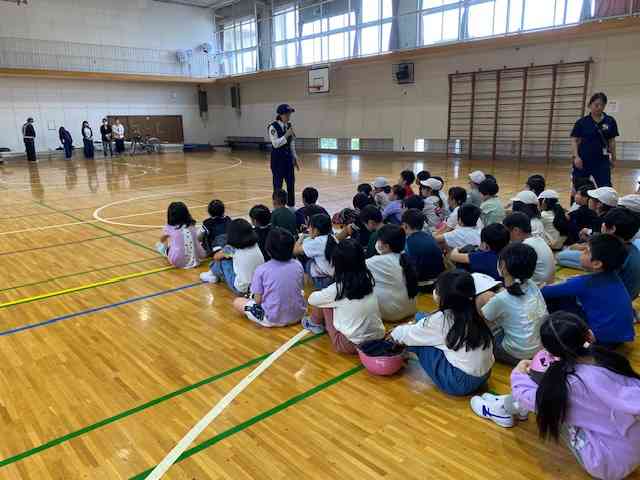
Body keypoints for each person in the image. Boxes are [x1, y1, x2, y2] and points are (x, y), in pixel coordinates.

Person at [502, 313, 640, 480]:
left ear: (552, 353)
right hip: (633, 445)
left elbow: (533, 399)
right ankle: (510, 406)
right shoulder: (609, 359)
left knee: (552, 406)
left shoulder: (570, 385)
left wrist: (518, 375)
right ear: (589, 335)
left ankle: (505, 407)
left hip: (609, 464)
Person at [390, 270, 494, 396]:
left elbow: (406, 335)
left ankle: (396, 355)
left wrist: (394, 332)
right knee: (420, 317)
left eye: (438, 290)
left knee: (418, 342)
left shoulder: (442, 320)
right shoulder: (473, 310)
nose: (435, 292)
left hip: (459, 383)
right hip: (484, 374)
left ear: (445, 298)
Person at [542, 234, 635, 347]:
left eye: (586, 251)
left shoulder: (583, 283)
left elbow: (545, 292)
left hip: (599, 340)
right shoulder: (614, 276)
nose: (582, 253)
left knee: (557, 299)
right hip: (621, 336)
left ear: (597, 264)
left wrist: (544, 286)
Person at [304, 239, 385, 354]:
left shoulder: (338, 288)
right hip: (377, 338)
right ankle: (316, 322)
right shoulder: (368, 281)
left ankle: (314, 323)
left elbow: (312, 299)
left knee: (325, 303)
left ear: (338, 264)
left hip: (349, 345)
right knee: (332, 301)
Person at [478, 243, 548, 365]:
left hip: (517, 354)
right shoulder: (532, 284)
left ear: (503, 266)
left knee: (481, 299)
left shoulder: (501, 299)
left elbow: (486, 316)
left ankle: (486, 341)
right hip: (541, 347)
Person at [233, 228, 306, 328]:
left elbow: (258, 300)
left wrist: (252, 296)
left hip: (272, 319)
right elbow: (300, 287)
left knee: (237, 302)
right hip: (299, 314)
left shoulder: (261, 270)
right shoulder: (298, 264)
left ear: (268, 250)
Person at [557, 186, 619, 269]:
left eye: (591, 198)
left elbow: (603, 244)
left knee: (560, 256)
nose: (589, 200)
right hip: (603, 251)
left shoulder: (603, 221)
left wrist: (584, 247)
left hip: (601, 255)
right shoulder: (608, 216)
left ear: (599, 204)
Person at [366, 225, 418, 322]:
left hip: (392, 314)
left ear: (386, 246)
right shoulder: (405, 258)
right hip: (412, 308)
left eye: (379, 240)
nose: (377, 242)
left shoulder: (374, 262)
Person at [201, 218, 265, 295]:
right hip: (258, 286)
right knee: (227, 257)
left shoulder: (232, 248)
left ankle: (212, 274)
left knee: (222, 260)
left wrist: (224, 251)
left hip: (242, 290)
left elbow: (216, 257)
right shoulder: (255, 243)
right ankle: (212, 274)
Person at [571, 92, 619, 188]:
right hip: (583, 160)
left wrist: (614, 158)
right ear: (590, 105)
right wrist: (576, 157)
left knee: (605, 188)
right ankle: (577, 203)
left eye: (602, 105)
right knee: (579, 187)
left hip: (602, 161)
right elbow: (574, 140)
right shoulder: (582, 122)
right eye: (596, 105)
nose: (599, 107)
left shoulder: (610, 121)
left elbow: (612, 141)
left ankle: (603, 203)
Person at [503, 212, 555, 287]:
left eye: (507, 232)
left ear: (516, 230)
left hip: (537, 288)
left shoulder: (525, 247)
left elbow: (517, 273)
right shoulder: (538, 239)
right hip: (548, 283)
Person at [601, 207, 640, 302]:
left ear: (612, 229)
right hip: (629, 298)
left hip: (613, 303)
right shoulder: (632, 249)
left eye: (604, 223)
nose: (602, 225)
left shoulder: (614, 253)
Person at [401, 209, 445, 291]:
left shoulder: (407, 243)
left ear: (405, 225)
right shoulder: (430, 237)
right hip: (439, 282)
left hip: (420, 285)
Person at [156, 202, 206, 269]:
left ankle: (164, 251)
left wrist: (163, 243)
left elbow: (162, 239)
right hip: (197, 258)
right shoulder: (192, 225)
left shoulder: (169, 227)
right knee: (193, 242)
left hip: (177, 260)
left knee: (161, 245)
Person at [294, 213, 337, 290]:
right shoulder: (332, 237)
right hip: (334, 276)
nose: (308, 229)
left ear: (316, 230)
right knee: (309, 260)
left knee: (304, 260)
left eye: (309, 227)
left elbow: (295, 251)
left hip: (324, 281)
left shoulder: (317, 242)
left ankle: (310, 287)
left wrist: (302, 237)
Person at [268, 104, 299, 207]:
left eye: (289, 114)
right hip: (277, 162)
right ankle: (277, 208)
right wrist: (286, 134)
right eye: (287, 114)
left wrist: (294, 157)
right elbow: (275, 144)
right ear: (281, 115)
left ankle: (291, 207)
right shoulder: (273, 127)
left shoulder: (289, 125)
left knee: (291, 184)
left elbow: (292, 142)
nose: (289, 116)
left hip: (288, 161)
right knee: (278, 186)